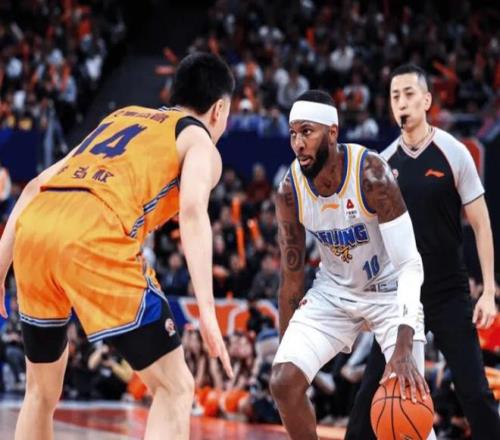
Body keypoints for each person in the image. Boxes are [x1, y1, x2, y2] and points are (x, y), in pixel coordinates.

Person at [0, 52, 235, 440]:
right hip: (95, 232)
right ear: (219, 109)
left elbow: (34, 186)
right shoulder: (199, 140)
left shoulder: (122, 116)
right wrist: (207, 310)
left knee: (39, 392)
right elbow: (193, 211)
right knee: (175, 387)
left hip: (36, 228)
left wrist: (0, 269)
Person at [269, 89, 436, 440]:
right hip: (334, 292)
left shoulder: (371, 175)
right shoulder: (290, 191)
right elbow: (291, 276)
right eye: (293, 133)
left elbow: (410, 264)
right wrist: (288, 349)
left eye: (307, 132)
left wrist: (404, 346)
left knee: (407, 407)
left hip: (389, 291)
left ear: (332, 132)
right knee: (283, 382)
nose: (298, 143)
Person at [345, 64, 500, 440]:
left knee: (475, 393)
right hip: (401, 297)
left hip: (448, 291)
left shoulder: (454, 152)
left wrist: (488, 291)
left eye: (409, 94)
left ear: (427, 100)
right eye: (395, 96)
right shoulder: (381, 164)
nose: (401, 102)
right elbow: (371, 240)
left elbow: (481, 224)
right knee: (369, 399)